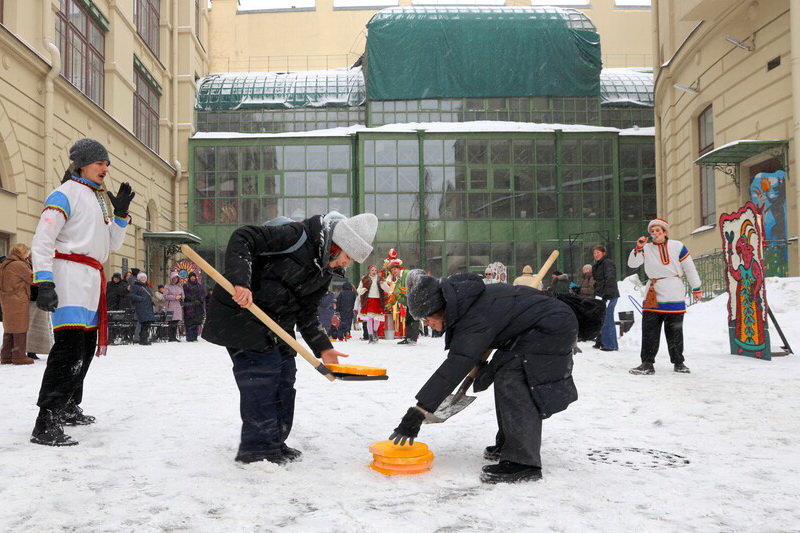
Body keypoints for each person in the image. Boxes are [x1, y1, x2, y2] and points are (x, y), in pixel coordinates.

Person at [202, 212, 378, 465]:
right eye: (347, 257)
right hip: (243, 314)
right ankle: (256, 450)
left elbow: (307, 313)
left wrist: (324, 348)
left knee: (285, 378)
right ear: (336, 246)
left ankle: (274, 443)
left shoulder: (323, 271)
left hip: (279, 326)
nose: (346, 265)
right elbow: (243, 237)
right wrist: (241, 282)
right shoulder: (294, 236)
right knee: (262, 378)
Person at [389, 270, 578, 484]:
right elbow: (480, 339)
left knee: (514, 377)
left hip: (551, 327)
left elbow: (457, 363)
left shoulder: (473, 316)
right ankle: (509, 445)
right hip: (533, 327)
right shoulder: (465, 304)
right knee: (504, 373)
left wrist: (420, 410)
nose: (427, 323)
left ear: (439, 309)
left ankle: (523, 462)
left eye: (427, 317)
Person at [30, 138, 134, 446]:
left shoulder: (99, 198)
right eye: (101, 162)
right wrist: (45, 281)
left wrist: (121, 214)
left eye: (106, 163)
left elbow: (112, 244)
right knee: (69, 349)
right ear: (83, 164)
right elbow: (43, 239)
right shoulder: (65, 194)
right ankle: (46, 418)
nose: (106, 168)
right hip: (69, 276)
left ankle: (68, 404)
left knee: (85, 348)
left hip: (92, 278)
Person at [627, 218, 701, 375]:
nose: (654, 233)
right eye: (652, 231)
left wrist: (696, 287)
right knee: (649, 331)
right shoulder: (646, 248)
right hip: (653, 293)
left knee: (675, 331)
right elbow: (632, 264)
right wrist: (639, 247)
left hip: (673, 292)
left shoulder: (677, 246)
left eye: (657, 230)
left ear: (665, 232)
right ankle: (647, 363)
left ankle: (679, 362)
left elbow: (689, 267)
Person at [0, 243, 35, 365]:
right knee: (20, 326)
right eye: (26, 253)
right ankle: (19, 356)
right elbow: (32, 279)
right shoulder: (19, 265)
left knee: (9, 327)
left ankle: (6, 355)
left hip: (6, 298)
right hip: (18, 299)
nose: (27, 255)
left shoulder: (5, 263)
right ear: (22, 253)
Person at [592, 245, 620, 352]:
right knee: (604, 319)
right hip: (601, 295)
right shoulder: (598, 265)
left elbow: (610, 278)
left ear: (604, 253)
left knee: (608, 319)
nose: (596, 255)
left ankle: (610, 345)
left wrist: (606, 294)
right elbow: (598, 280)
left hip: (609, 296)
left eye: (598, 252)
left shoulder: (607, 263)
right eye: (594, 253)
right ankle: (604, 342)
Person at [356, 264, 391, 344]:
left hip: (378, 300)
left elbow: (388, 289)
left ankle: (375, 331)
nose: (374, 272)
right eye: (372, 270)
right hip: (368, 300)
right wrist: (363, 290)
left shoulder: (380, 279)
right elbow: (358, 290)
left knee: (377, 319)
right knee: (369, 319)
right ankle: (370, 335)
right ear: (369, 271)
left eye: (375, 270)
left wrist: (383, 284)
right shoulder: (364, 279)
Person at [388, 261, 418, 346]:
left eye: (395, 269)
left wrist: (407, 290)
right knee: (408, 319)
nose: (394, 271)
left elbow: (414, 283)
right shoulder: (399, 279)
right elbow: (400, 291)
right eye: (392, 270)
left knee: (414, 319)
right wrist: (395, 293)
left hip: (414, 299)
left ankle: (413, 339)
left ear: (399, 268)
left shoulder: (406, 273)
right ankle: (408, 338)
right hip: (409, 301)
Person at [128, 272, 155, 345]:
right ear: (139, 279)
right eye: (142, 278)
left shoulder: (147, 287)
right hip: (141, 307)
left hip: (148, 307)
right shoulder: (136, 286)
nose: (144, 279)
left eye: (145, 278)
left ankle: (144, 338)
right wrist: (140, 298)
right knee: (144, 323)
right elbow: (131, 295)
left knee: (147, 323)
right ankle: (143, 339)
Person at [182, 272, 205, 342]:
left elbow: (202, 294)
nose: (193, 278)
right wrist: (193, 299)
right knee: (189, 322)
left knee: (196, 322)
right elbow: (185, 294)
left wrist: (200, 300)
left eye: (194, 276)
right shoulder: (186, 285)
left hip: (198, 306)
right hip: (189, 306)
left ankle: (195, 336)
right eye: (191, 276)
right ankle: (189, 337)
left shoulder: (199, 286)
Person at [163, 272, 185, 342]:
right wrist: (174, 297)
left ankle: (174, 336)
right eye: (174, 278)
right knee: (171, 322)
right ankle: (170, 337)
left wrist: (181, 297)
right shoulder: (167, 286)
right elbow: (165, 296)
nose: (175, 279)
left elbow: (183, 295)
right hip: (171, 306)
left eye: (176, 278)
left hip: (178, 306)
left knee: (176, 322)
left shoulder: (179, 286)